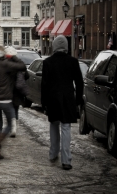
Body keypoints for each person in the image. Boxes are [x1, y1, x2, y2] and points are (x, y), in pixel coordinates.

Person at [41, 35, 83, 170]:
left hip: (52, 98)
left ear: (54, 46)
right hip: (67, 98)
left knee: (53, 126)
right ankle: (66, 160)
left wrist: (44, 102)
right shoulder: (73, 61)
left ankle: (53, 153)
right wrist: (77, 100)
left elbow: (44, 84)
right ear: (66, 46)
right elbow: (79, 82)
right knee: (66, 128)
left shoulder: (48, 62)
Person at [4, 46, 29, 138]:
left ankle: (10, 126)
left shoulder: (6, 64)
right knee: (15, 109)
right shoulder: (20, 65)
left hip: (7, 90)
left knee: (8, 109)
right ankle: (14, 127)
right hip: (17, 91)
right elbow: (27, 76)